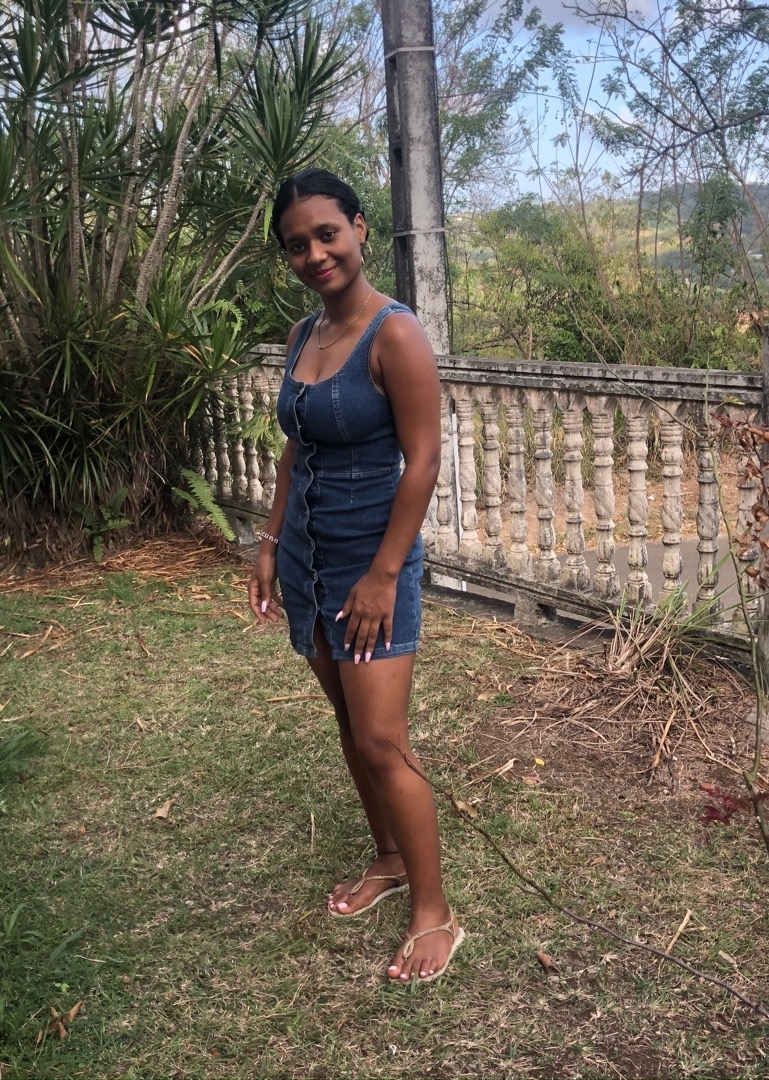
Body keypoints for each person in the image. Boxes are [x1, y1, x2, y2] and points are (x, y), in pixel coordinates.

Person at [248, 168, 464, 983]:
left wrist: (382, 574)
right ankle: (390, 858)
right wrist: (270, 543)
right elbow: (294, 448)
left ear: (360, 228)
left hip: (370, 562)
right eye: (296, 245)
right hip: (305, 559)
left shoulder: (394, 333)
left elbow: (424, 460)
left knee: (381, 740)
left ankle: (435, 912)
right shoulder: (305, 334)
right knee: (349, 723)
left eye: (326, 234)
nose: (314, 254)